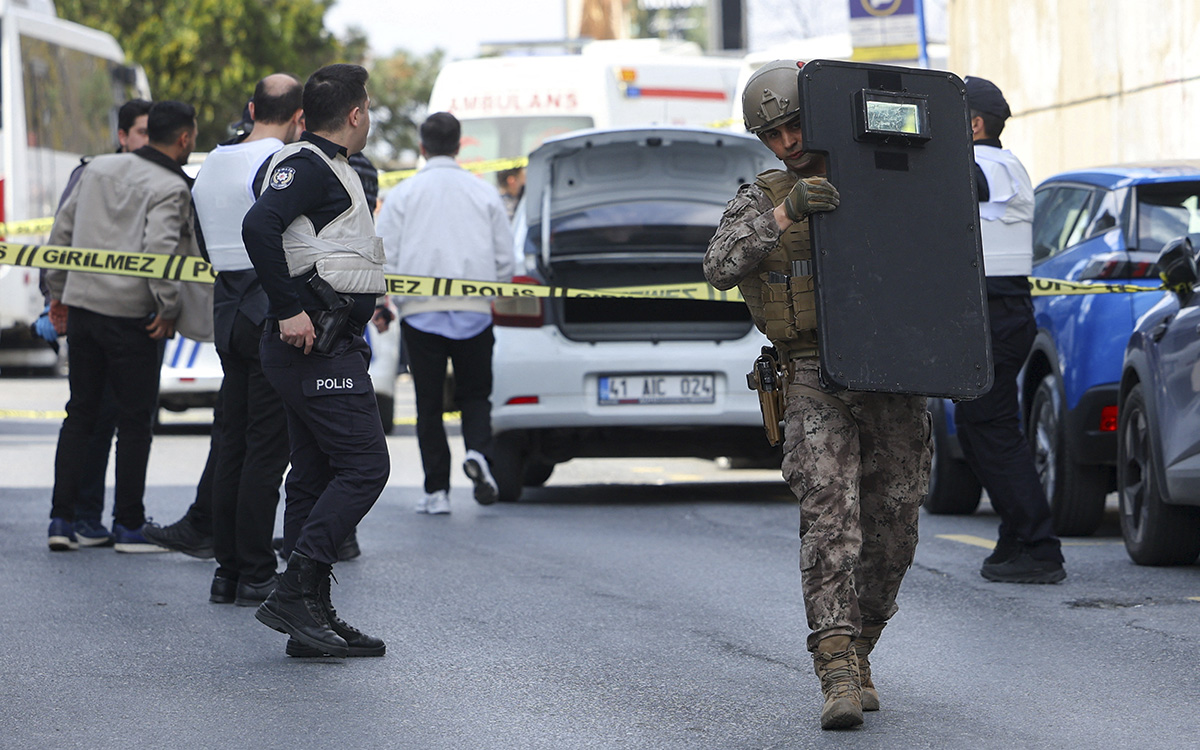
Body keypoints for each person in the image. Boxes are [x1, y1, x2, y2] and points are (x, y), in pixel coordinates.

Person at [703, 60, 930, 730]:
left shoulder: (883, 175)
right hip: (811, 376)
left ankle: (862, 651)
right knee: (831, 524)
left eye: (795, 124)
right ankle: (834, 669)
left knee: (893, 533)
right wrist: (785, 212)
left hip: (891, 378)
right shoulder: (762, 196)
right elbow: (718, 265)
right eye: (772, 134)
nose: (787, 142)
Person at [243, 63, 389, 658]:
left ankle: (311, 617)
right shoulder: (306, 165)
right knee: (365, 466)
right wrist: (288, 309)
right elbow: (260, 225)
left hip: (319, 345)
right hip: (312, 345)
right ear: (356, 114)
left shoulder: (328, 166)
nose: (371, 114)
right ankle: (296, 590)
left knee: (312, 474)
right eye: (370, 106)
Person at [150, 75, 305, 607]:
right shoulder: (277, 165)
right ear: (299, 116)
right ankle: (258, 571)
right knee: (266, 450)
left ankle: (228, 571)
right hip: (267, 306)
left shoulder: (212, 161)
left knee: (232, 444)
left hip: (227, 307)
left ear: (250, 107)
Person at [45, 101, 200, 553]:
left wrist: (58, 292)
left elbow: (61, 233)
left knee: (80, 415)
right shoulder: (171, 185)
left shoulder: (97, 169)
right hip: (133, 317)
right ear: (185, 139)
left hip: (84, 309)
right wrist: (167, 307)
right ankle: (129, 524)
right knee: (134, 423)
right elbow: (159, 253)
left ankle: (61, 519)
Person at [377, 111, 514, 515]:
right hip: (475, 311)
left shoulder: (403, 194)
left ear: (421, 147)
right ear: (459, 146)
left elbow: (385, 255)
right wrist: (492, 291)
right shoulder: (484, 192)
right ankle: (479, 454)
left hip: (422, 314)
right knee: (475, 396)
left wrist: (390, 300)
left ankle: (436, 491)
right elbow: (505, 258)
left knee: (428, 405)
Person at [959, 76, 1066, 584]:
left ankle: (1039, 544)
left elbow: (975, 186)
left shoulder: (991, 165)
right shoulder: (994, 163)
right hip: (992, 313)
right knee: (979, 429)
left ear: (975, 124)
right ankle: (1016, 532)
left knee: (994, 430)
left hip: (995, 313)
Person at [34, 99, 154, 548]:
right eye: (140, 132)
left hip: (118, 311)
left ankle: (82, 518)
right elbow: (59, 240)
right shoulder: (92, 173)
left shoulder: (152, 178)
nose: (146, 140)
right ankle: (90, 519)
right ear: (123, 136)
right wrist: (55, 297)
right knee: (97, 415)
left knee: (103, 416)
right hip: (107, 312)